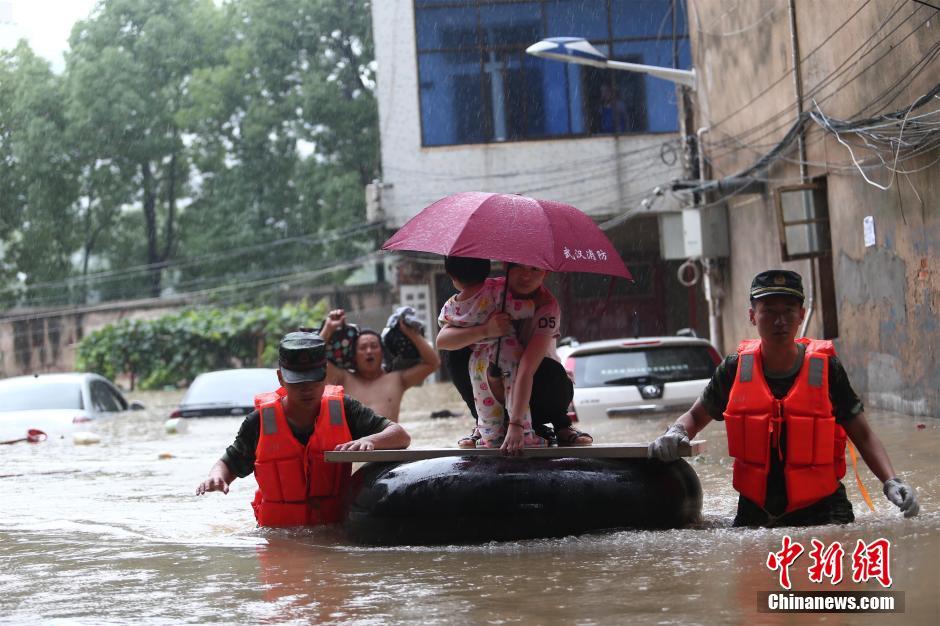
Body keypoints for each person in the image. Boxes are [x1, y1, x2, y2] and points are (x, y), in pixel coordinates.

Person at [649, 269, 920, 527]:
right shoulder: (733, 370)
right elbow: (696, 416)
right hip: (756, 512)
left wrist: (891, 482)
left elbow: (863, 434)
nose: (780, 321)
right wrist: (676, 431)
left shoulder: (827, 370)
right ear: (753, 316)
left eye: (788, 311)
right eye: (769, 312)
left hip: (824, 511)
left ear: (801, 315)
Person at [195, 331, 411, 527]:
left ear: (324, 374)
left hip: (333, 532)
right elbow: (228, 463)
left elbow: (401, 436)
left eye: (313, 380)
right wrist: (216, 477)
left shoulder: (345, 409)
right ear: (281, 377)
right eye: (298, 382)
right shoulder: (259, 421)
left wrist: (372, 441)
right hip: (279, 538)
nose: (306, 389)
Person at [438, 263, 592, 454]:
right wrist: (485, 330)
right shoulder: (487, 291)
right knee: (455, 351)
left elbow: (527, 369)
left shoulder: (547, 306)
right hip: (490, 381)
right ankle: (484, 426)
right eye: (519, 267)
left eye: (535, 269)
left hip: (539, 388)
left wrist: (517, 424)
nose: (526, 275)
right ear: (506, 266)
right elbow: (443, 339)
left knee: (550, 370)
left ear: (546, 272)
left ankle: (560, 423)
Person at [438, 256, 543, 449]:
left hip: (478, 361)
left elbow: (441, 341)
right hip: (509, 354)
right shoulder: (497, 291)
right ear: (487, 269)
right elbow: (520, 310)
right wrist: (533, 305)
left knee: (484, 399)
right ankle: (525, 435)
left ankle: (491, 437)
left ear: (452, 277)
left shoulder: (451, 305)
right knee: (514, 393)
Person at [319, 308, 441, 422]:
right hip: (353, 444)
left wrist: (411, 333)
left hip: (389, 443)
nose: (369, 351)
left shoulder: (397, 379)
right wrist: (328, 329)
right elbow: (314, 362)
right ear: (354, 355)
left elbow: (433, 363)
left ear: (382, 353)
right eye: (362, 347)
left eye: (374, 346)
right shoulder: (343, 379)